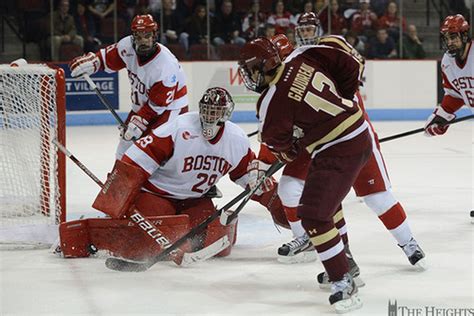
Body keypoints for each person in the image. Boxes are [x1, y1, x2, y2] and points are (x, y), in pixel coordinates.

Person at [263, 12, 425, 276]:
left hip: (350, 131)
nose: (305, 34)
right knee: (292, 188)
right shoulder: (289, 71)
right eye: (301, 29)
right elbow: (280, 125)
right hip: (319, 142)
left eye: (309, 28)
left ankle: (409, 243)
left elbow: (356, 69)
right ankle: (314, 241)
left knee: (377, 197)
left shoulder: (329, 46)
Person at [57, 87, 288, 262]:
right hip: (157, 196)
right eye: (206, 110)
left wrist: (272, 198)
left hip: (195, 200)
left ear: (226, 114)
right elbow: (133, 161)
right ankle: (105, 230)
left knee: (212, 238)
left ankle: (179, 242)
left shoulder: (236, 140)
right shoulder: (177, 128)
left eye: (216, 112)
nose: (209, 117)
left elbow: (246, 176)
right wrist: (117, 198)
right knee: (151, 236)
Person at [238, 37, 372, 313]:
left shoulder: (269, 104)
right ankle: (346, 262)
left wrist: (299, 139)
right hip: (355, 132)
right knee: (329, 206)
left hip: (339, 149)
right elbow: (350, 64)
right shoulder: (303, 54)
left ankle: (342, 279)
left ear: (262, 67)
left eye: (251, 70)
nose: (250, 77)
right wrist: (343, 98)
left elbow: (285, 151)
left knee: (312, 214)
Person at [69, 14, 189, 159]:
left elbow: (158, 105)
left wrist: (140, 122)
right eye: (138, 36)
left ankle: (160, 180)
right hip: (144, 106)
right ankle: (119, 180)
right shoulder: (127, 46)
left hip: (170, 109)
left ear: (154, 36)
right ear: (133, 36)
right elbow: (105, 59)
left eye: (147, 35)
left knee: (156, 152)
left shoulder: (165, 65)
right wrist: (92, 63)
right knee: (126, 145)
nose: (143, 40)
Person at [424, 14, 473, 137]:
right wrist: (442, 116)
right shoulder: (447, 62)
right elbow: (455, 94)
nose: (450, 42)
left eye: (453, 37)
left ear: (464, 35)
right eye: (447, 38)